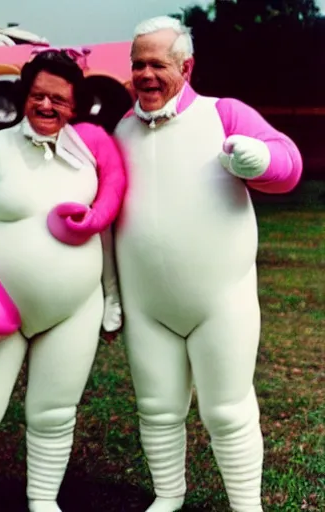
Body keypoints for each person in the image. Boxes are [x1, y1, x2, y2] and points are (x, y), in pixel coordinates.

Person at [0, 49, 126, 512]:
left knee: (53, 414)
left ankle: (43, 502)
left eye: (60, 99)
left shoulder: (88, 156)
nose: (48, 107)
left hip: (74, 308)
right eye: (38, 96)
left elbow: (105, 230)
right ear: (23, 97)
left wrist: (112, 298)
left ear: (76, 106)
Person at [111, 15, 302, 512]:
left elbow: (289, 163)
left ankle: (245, 505)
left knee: (228, 409)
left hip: (221, 299)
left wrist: (260, 159)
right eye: (138, 65)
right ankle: (168, 496)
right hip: (147, 303)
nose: (146, 75)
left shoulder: (224, 114)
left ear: (186, 67)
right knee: (156, 408)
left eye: (157, 64)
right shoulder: (122, 129)